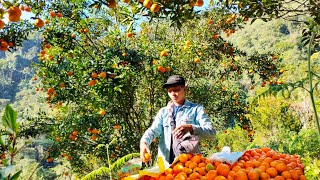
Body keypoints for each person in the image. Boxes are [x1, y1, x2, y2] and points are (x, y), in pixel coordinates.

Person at [140, 75, 216, 165]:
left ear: (185, 88)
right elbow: (153, 130)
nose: (173, 94)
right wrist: (144, 142)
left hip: (190, 165)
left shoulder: (196, 109)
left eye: (176, 90)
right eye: (169, 91)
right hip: (166, 165)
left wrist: (192, 128)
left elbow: (211, 134)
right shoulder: (163, 112)